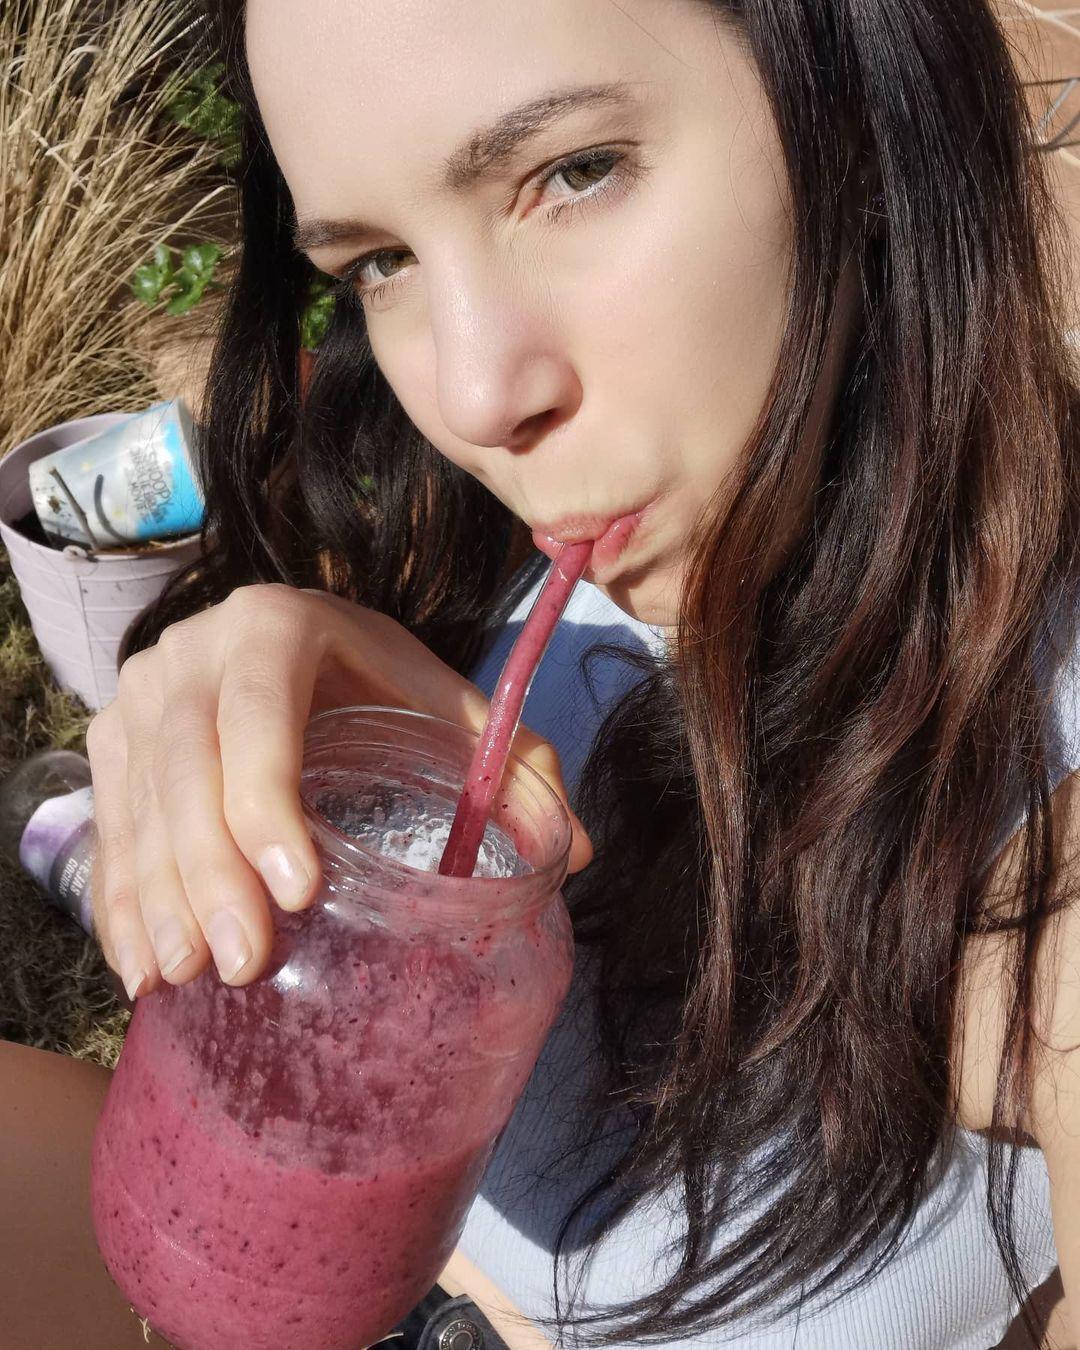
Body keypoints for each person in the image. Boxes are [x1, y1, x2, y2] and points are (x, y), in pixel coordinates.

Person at [85, 0, 1080, 1345]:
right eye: (381, 261)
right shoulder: (478, 553)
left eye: (575, 171)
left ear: (850, 92)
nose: (472, 398)